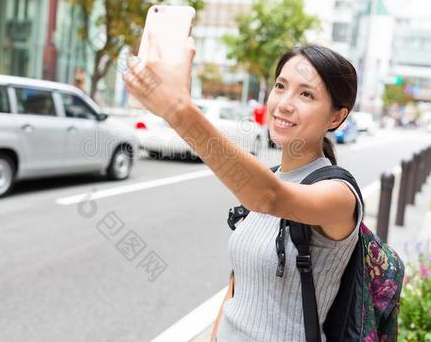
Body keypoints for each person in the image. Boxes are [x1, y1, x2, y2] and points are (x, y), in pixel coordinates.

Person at [124, 37, 362, 341]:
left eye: (306, 94)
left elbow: (269, 197)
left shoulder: (339, 195)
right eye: (280, 86)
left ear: (336, 117)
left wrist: (179, 111)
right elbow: (237, 288)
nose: (284, 103)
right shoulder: (269, 177)